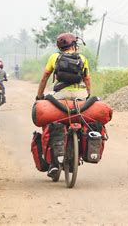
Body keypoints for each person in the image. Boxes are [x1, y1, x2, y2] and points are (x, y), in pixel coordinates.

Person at [35, 33, 91, 180]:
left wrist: (39, 96)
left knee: (50, 122)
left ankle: (53, 163)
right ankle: (79, 148)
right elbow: (87, 79)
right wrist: (88, 96)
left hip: (60, 97)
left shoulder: (54, 57)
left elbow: (44, 78)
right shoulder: (83, 58)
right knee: (83, 121)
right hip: (81, 96)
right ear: (74, 44)